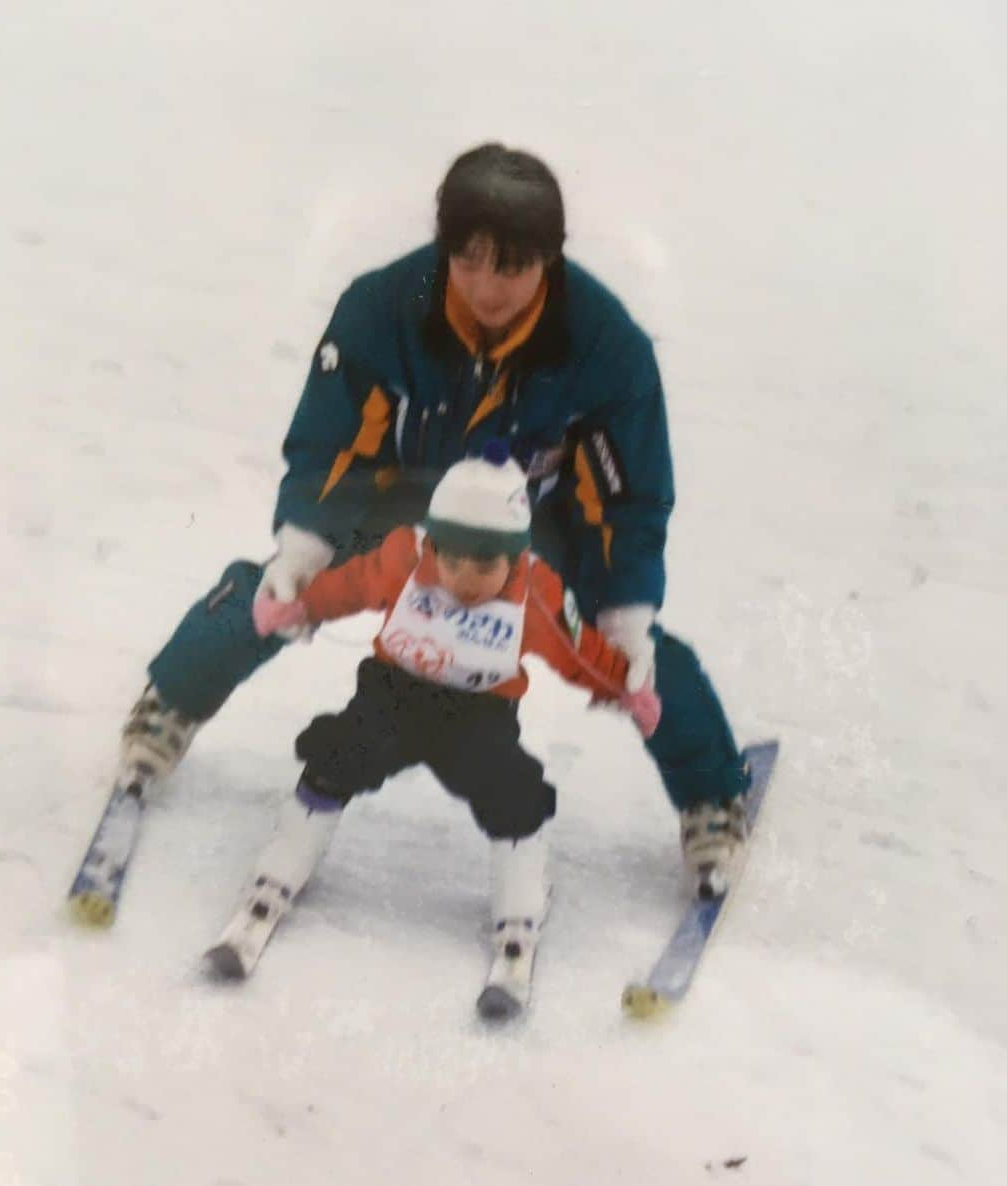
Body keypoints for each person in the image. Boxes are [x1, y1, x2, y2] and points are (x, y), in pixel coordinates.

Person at [120, 142, 750, 895]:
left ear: (549, 260)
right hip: (401, 507)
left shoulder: (608, 350)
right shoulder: (379, 308)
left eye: (512, 266)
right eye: (469, 259)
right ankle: (171, 703)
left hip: (536, 527)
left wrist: (622, 610)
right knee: (273, 593)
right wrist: (307, 544)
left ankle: (713, 794)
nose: (487, 286)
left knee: (634, 657)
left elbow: (627, 499)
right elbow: (331, 446)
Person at [237, 449, 660, 1010]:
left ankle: (519, 906)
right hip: (391, 695)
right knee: (339, 751)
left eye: (484, 567)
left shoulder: (535, 593)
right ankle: (280, 868)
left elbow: (575, 652)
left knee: (512, 788)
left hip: (477, 717)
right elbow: (350, 586)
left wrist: (624, 686)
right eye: (452, 561)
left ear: (514, 558)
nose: (463, 580)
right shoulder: (405, 558)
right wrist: (301, 607)